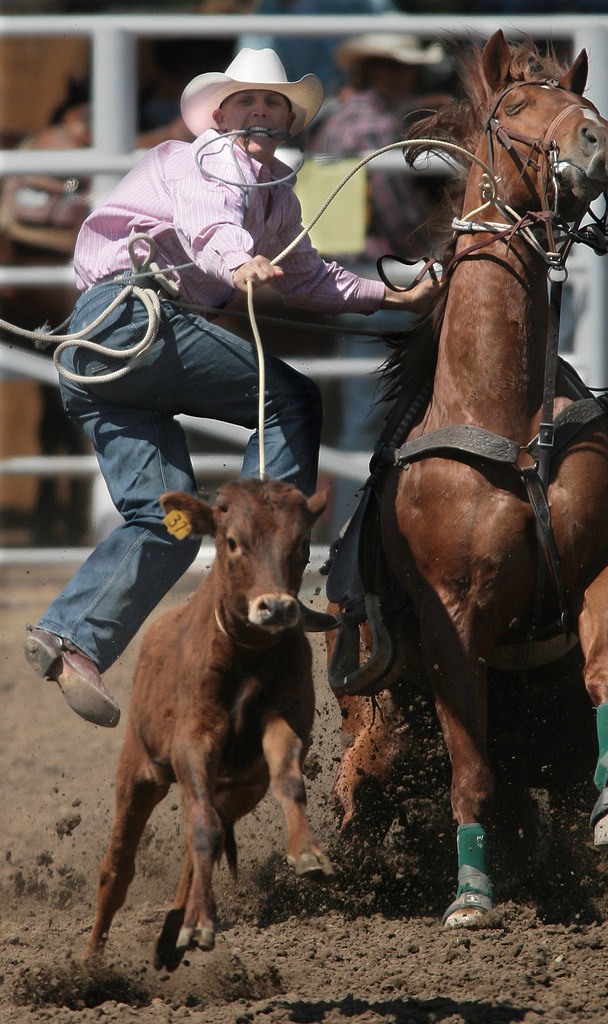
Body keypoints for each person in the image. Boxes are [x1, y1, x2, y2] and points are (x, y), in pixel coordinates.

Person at [22, 47, 436, 730]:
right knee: (292, 398)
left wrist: (391, 295)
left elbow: (308, 278)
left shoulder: (275, 189)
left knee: (164, 522)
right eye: (246, 101)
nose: (259, 111)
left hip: (102, 355)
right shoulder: (206, 161)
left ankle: (70, 638)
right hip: (133, 322)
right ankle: (269, 567)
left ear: (286, 120)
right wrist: (236, 260)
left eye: (271, 103)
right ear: (219, 114)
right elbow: (209, 221)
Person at [311, 32, 447, 527]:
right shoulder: (373, 128)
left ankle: (354, 529)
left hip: (343, 274)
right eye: (394, 67)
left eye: (405, 67)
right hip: (375, 277)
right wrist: (431, 251)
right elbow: (395, 212)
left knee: (361, 417)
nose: (404, 77)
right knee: (373, 420)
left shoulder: (335, 123)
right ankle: (359, 535)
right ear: (374, 71)